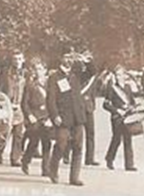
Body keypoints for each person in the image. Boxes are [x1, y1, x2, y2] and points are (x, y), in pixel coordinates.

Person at [46, 52, 86, 186]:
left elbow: (92, 72)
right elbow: (50, 99)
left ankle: (74, 178)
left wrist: (84, 60)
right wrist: (54, 115)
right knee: (61, 145)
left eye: (71, 58)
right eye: (66, 56)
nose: (69, 60)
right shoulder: (54, 77)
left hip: (77, 117)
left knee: (78, 147)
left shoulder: (75, 75)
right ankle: (53, 170)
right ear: (61, 59)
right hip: (63, 117)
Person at [20, 61, 52, 176]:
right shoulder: (30, 85)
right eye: (36, 69)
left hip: (47, 116)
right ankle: (25, 160)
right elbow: (24, 103)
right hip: (34, 116)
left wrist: (51, 117)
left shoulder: (50, 84)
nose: (38, 71)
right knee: (33, 142)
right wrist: (29, 115)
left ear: (45, 70)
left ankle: (46, 169)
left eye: (40, 69)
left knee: (47, 143)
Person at [103, 65, 137, 171]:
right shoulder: (111, 88)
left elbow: (132, 101)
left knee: (128, 139)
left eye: (120, 74)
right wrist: (117, 110)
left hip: (127, 117)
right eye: (116, 75)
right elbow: (106, 104)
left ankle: (129, 164)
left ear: (124, 75)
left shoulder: (128, 87)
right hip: (116, 117)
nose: (118, 77)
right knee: (116, 139)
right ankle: (109, 159)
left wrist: (132, 107)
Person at [0, 49, 26, 166]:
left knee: (18, 133)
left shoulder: (26, 73)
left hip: (19, 107)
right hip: (6, 106)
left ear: (23, 60)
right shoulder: (5, 73)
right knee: (5, 132)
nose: (17, 61)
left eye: (19, 59)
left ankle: (15, 158)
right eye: (15, 59)